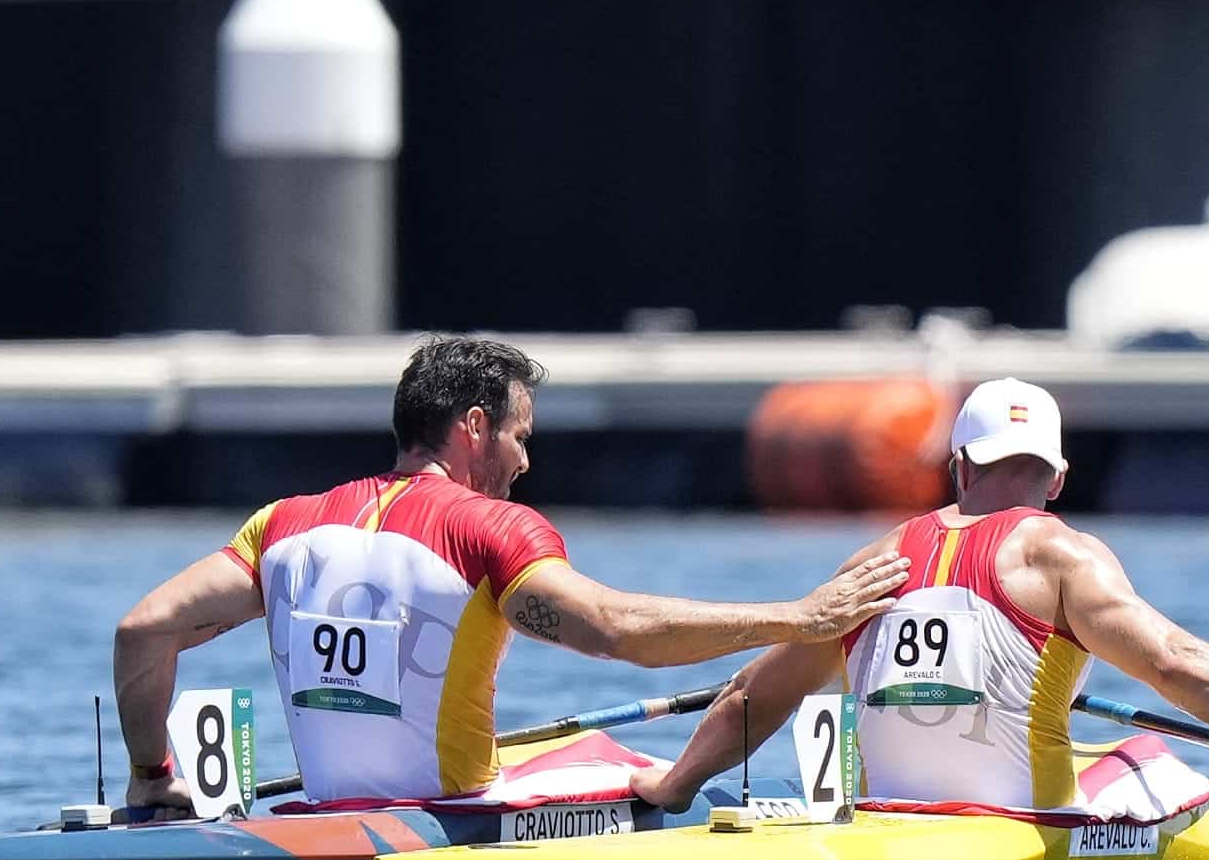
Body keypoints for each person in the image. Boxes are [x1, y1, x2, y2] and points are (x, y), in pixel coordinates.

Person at [115, 335, 909, 818]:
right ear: (473, 427)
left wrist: (154, 776)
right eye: (519, 436)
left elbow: (142, 629)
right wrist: (798, 618)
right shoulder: (488, 527)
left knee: (577, 745)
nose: (526, 460)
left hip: (322, 811)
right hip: (445, 822)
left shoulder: (282, 522)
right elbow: (615, 630)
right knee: (633, 765)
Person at [631, 377, 1209, 814]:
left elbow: (751, 697)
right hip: (1024, 849)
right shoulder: (1059, 555)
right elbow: (1175, 663)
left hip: (882, 834)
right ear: (1058, 478)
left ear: (960, 466)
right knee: (1146, 756)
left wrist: (674, 785)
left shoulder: (876, 559)